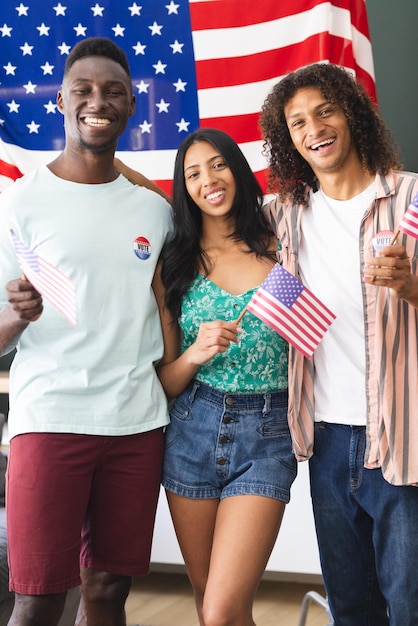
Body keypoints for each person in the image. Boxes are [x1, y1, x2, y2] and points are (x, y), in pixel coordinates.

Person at [0, 37, 172, 626]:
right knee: (37, 599)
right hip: (49, 418)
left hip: (137, 423)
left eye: (113, 91)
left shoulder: (155, 210)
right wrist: (16, 316)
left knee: (107, 591)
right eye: (84, 89)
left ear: (131, 107)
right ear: (61, 101)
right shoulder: (20, 204)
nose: (98, 100)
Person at [259, 62, 418, 626]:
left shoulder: (410, 199)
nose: (313, 128)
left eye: (324, 111)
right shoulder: (281, 218)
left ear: (352, 113)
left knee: (410, 608)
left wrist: (410, 285)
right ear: (288, 139)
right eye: (297, 122)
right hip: (324, 441)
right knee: (351, 611)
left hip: (403, 439)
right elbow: (191, 209)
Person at [150, 127, 297, 626]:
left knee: (222, 609)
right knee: (205, 599)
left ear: (236, 168)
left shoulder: (282, 247)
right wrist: (194, 353)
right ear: (183, 188)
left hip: (268, 433)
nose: (208, 180)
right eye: (193, 173)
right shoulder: (175, 265)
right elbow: (168, 381)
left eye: (217, 164)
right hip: (192, 426)